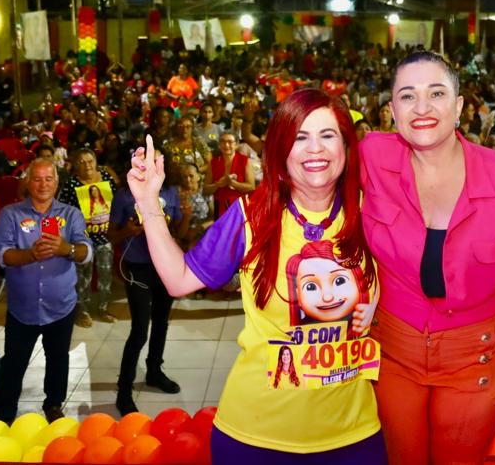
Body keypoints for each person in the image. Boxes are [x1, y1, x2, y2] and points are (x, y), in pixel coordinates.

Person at [127, 89, 385, 463]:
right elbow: (179, 279)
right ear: (280, 149)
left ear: (346, 146)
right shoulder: (252, 216)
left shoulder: (372, 213)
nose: (315, 149)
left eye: (327, 135)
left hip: (353, 436)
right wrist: (148, 202)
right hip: (256, 437)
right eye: (300, 137)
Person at [359, 51, 495, 464]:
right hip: (392, 349)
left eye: (436, 94)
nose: (422, 108)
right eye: (407, 96)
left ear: (458, 107)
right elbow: (314, 179)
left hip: (478, 355)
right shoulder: (372, 158)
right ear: (392, 112)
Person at [0, 159, 92, 423]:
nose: (43, 184)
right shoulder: (11, 214)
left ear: (56, 183)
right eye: (37, 179)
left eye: (48, 179)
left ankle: (54, 404)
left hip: (61, 306)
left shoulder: (71, 214)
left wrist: (65, 249)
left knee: (58, 359)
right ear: (27, 182)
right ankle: (4, 412)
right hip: (22, 308)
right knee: (14, 362)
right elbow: (2, 255)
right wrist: (31, 255)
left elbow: (86, 252)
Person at [107, 168, 188, 416]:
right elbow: (111, 234)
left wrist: (185, 217)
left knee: (161, 322)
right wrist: (128, 231)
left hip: (165, 264)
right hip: (137, 268)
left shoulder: (170, 191)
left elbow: (179, 233)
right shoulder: (124, 195)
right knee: (140, 330)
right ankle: (124, 391)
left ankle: (154, 371)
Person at [57, 148, 117, 327]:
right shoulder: (71, 184)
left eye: (90, 161)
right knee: (83, 276)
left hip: (104, 234)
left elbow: (116, 201)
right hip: (81, 237)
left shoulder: (105, 178)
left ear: (96, 162)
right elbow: (62, 212)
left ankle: (103, 307)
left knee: (105, 272)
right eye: (81, 162)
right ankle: (82, 310)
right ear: (75, 165)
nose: (87, 165)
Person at [204, 132, 255, 218]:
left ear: (236, 145)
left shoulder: (244, 161)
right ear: (219, 145)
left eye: (230, 142)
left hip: (240, 206)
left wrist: (232, 183)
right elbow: (206, 189)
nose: (226, 145)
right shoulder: (213, 162)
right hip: (219, 206)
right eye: (223, 142)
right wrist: (218, 185)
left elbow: (251, 187)